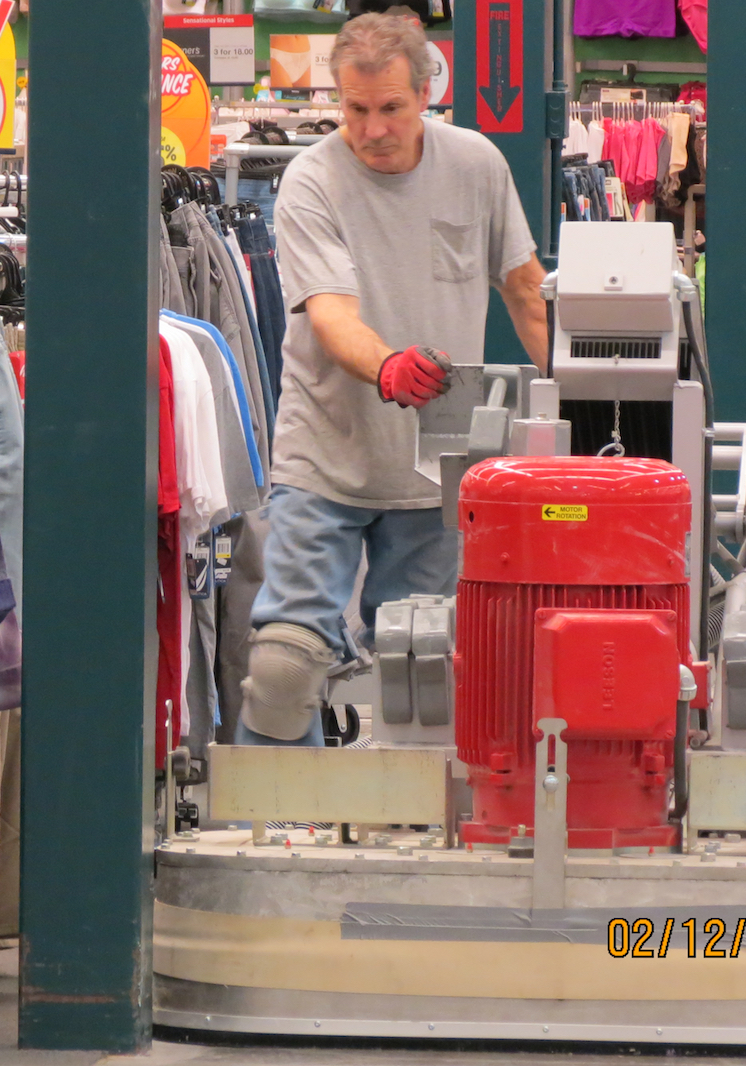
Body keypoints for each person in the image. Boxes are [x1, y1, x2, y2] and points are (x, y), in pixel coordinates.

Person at [237, 12, 549, 746]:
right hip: (324, 458)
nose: (373, 128)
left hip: (435, 472)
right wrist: (384, 365)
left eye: (391, 109)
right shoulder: (311, 179)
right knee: (284, 669)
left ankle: (411, 840)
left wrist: (593, 399)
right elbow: (331, 316)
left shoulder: (477, 166)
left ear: (426, 95)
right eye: (355, 109)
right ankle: (280, 839)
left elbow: (526, 293)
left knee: (426, 676)